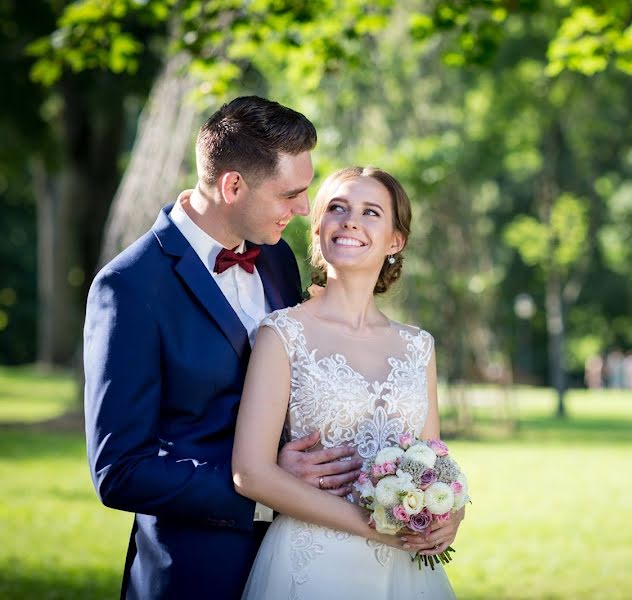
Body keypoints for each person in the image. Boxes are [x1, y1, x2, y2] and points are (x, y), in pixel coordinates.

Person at [83, 97, 364, 599]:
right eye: (290, 194)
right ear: (233, 185)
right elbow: (119, 470)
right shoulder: (129, 287)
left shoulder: (277, 259)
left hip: (303, 560)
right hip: (195, 568)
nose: (304, 209)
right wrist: (262, 485)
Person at [233, 166, 459, 599]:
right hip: (312, 562)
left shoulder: (418, 346)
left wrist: (451, 515)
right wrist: (378, 530)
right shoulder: (282, 334)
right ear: (318, 229)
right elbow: (251, 474)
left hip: (406, 571)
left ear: (396, 240)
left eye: (371, 211)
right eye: (337, 208)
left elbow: (435, 463)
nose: (351, 220)